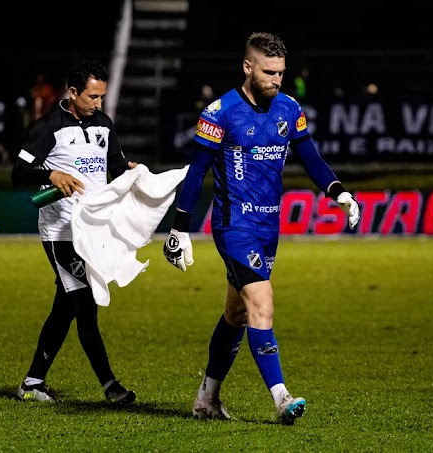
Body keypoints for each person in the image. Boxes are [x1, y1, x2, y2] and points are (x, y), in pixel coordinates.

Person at [162, 32, 360, 425]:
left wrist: (338, 191)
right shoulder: (219, 114)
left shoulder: (288, 108)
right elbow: (197, 172)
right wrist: (179, 228)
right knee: (261, 303)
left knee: (236, 314)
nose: (276, 79)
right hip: (234, 226)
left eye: (281, 72)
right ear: (247, 67)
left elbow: (311, 158)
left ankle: (207, 399)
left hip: (269, 226)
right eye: (269, 72)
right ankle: (281, 397)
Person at [11, 59, 137, 405]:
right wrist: (49, 174)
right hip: (60, 232)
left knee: (66, 306)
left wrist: (130, 170)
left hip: (94, 231)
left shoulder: (104, 126)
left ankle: (32, 383)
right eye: (93, 97)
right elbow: (18, 173)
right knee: (85, 303)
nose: (99, 104)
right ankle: (111, 387)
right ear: (73, 93)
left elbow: (113, 165)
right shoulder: (48, 127)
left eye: (102, 97)